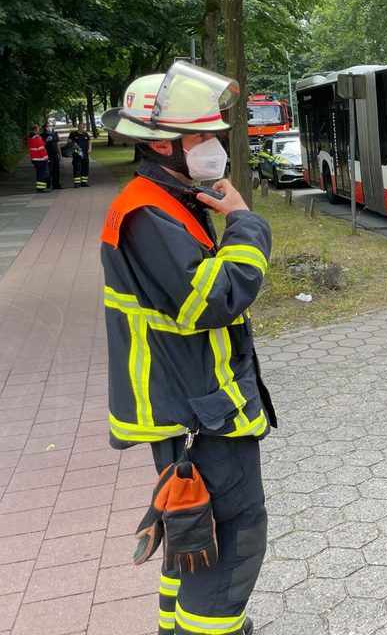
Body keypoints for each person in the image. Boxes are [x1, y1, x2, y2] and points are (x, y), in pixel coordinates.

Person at [100, 62, 275, 635]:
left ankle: (178, 626)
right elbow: (212, 300)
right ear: (167, 145)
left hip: (191, 406)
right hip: (199, 414)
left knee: (192, 532)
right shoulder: (147, 210)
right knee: (231, 538)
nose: (215, 146)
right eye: (203, 136)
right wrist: (246, 223)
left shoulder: (167, 198)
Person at [26, 125, 50, 193]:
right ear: (36, 130)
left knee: (40, 173)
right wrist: (46, 158)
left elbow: (38, 145)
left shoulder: (30, 137)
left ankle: (41, 188)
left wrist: (44, 142)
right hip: (40, 159)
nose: (39, 130)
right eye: (38, 129)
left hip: (34, 159)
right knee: (44, 173)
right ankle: (41, 189)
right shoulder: (36, 137)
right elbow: (40, 148)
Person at [68, 120, 91, 186]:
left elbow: (89, 142)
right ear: (78, 127)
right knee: (77, 167)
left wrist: (89, 149)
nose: (82, 128)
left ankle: (84, 182)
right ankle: (77, 183)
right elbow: (69, 143)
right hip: (76, 153)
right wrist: (70, 152)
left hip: (85, 153)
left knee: (85, 168)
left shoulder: (86, 134)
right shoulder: (73, 134)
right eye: (80, 127)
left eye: (83, 127)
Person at [43, 122, 63, 189]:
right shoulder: (42, 135)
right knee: (49, 170)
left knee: (56, 170)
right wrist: (46, 141)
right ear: (45, 127)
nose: (49, 127)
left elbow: (57, 144)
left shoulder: (54, 134)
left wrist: (60, 154)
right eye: (47, 126)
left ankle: (56, 185)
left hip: (55, 155)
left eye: (50, 126)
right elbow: (41, 146)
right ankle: (49, 185)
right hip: (48, 155)